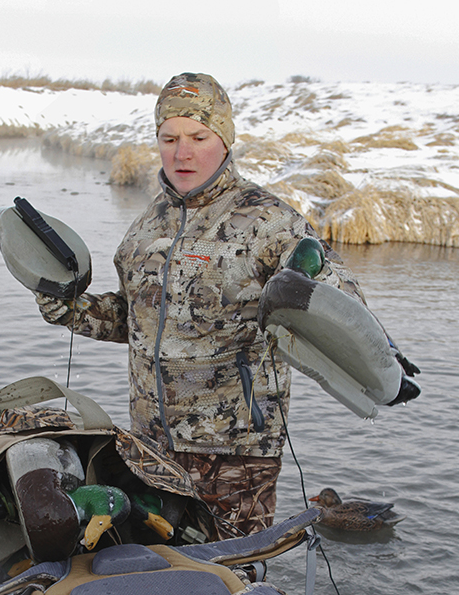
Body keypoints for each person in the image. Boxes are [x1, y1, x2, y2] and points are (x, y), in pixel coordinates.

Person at [34, 72, 366, 538]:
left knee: (232, 583)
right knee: (160, 572)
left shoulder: (269, 221)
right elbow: (134, 319)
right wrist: (72, 309)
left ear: (225, 140)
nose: (181, 152)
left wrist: (316, 282)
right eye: (168, 138)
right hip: (151, 443)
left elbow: (342, 297)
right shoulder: (148, 225)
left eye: (197, 137)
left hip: (234, 450)